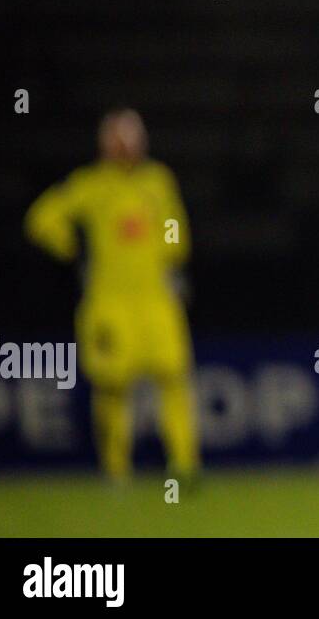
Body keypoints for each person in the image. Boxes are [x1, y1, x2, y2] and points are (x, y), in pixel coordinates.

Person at [24, 108, 201, 484]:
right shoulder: (90, 185)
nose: (125, 146)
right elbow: (42, 219)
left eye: (130, 138)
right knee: (112, 385)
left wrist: (170, 254)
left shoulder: (158, 181)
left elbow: (173, 224)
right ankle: (117, 471)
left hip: (156, 297)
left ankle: (184, 468)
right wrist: (71, 247)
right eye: (118, 139)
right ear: (105, 143)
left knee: (172, 377)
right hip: (109, 300)